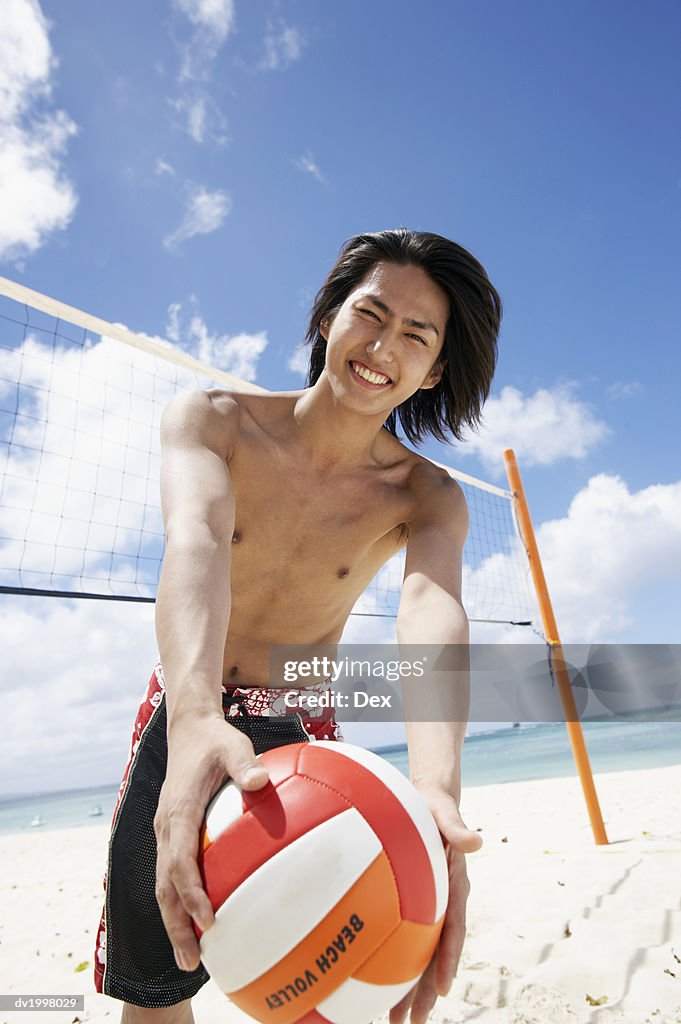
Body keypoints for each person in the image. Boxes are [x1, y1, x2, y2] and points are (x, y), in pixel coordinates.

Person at [94, 228, 502, 1023]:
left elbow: (429, 612)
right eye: (370, 315)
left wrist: (435, 790)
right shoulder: (213, 419)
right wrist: (194, 721)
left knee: (324, 983)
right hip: (191, 707)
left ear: (435, 369)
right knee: (157, 977)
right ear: (327, 317)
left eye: (415, 336)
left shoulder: (425, 495)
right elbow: (198, 541)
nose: (382, 346)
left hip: (303, 716)